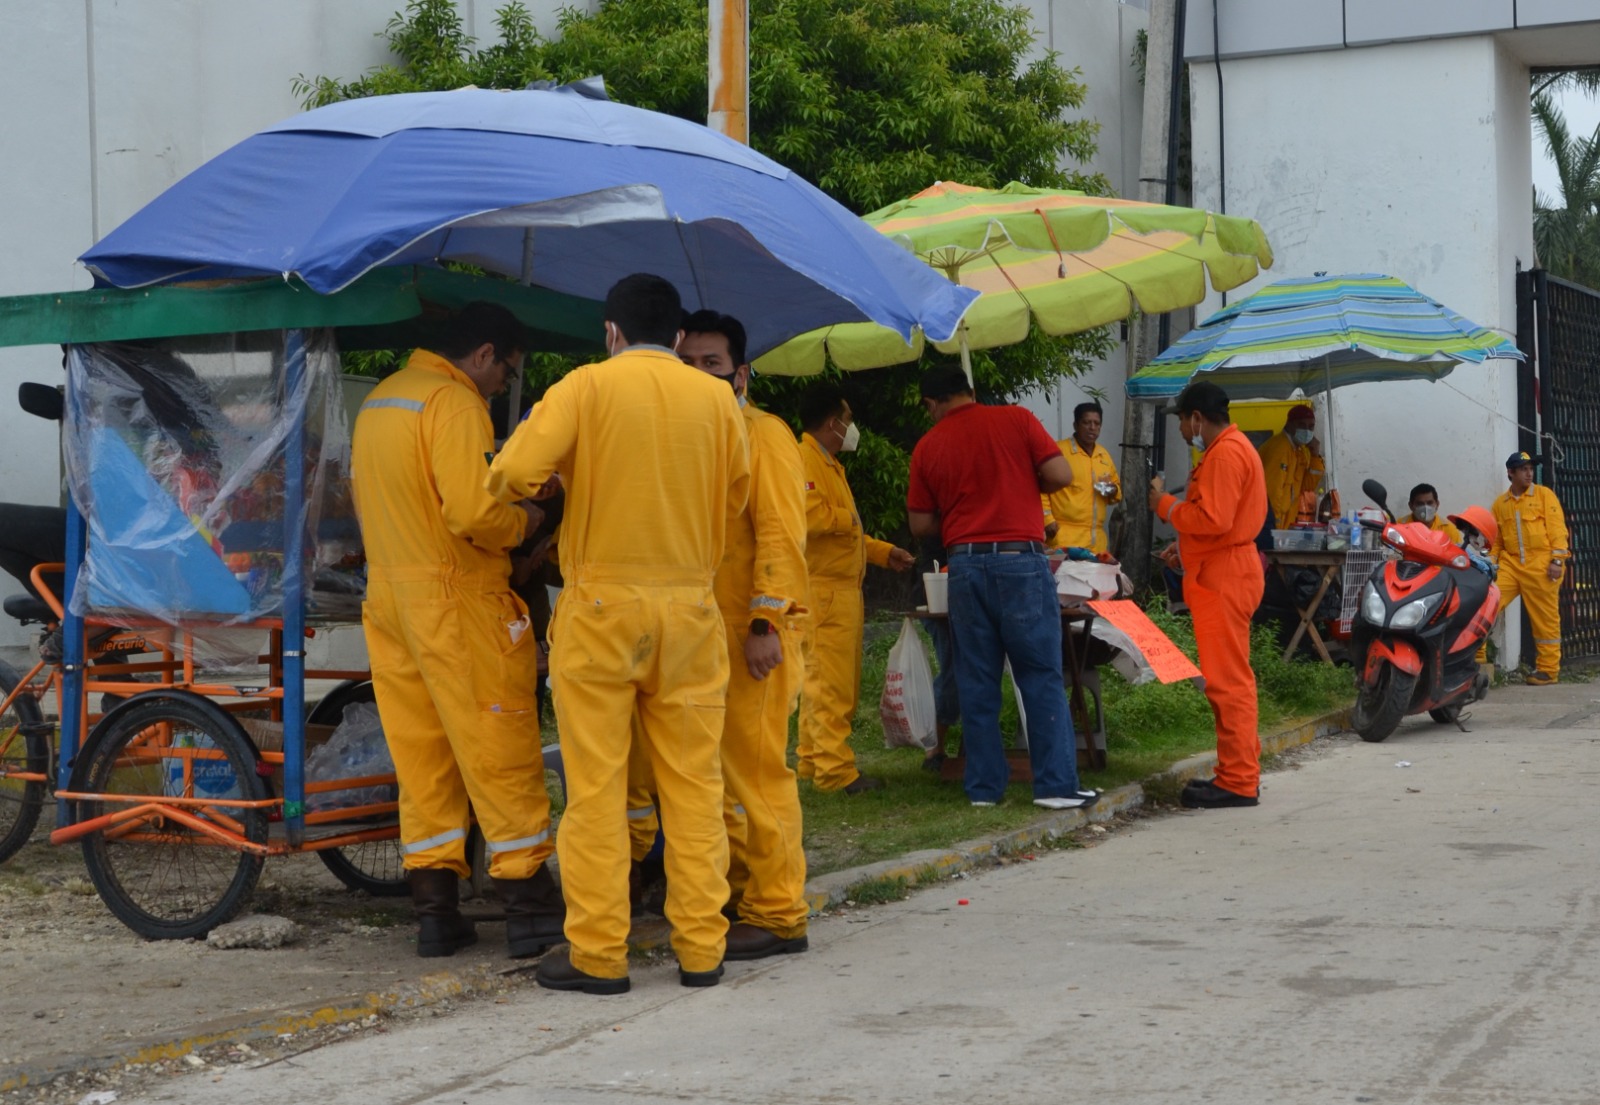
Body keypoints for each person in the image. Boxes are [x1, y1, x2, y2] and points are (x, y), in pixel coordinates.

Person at [487, 274, 750, 995]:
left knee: (597, 788)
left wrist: (570, 475)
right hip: (690, 613)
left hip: (601, 613)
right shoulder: (719, 402)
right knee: (695, 787)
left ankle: (599, 954)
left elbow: (512, 471)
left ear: (610, 332)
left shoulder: (584, 388)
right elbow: (736, 494)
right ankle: (702, 949)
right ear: (675, 338)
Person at [351, 301, 563, 960]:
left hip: (389, 600)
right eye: (507, 370)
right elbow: (473, 509)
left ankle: (435, 911)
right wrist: (526, 522)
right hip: (458, 600)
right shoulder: (455, 402)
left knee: (424, 757)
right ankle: (529, 904)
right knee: (497, 745)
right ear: (483, 354)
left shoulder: (382, 401)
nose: (503, 383)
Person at [678, 308, 812, 959]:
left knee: (758, 772)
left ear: (742, 372)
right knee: (716, 776)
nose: (700, 374)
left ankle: (780, 909)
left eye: (712, 363)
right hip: (700, 635)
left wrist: (764, 621)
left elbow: (783, 536)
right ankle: (738, 890)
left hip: (754, 633)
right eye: (688, 363)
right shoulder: (693, 436)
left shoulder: (765, 435)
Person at [905, 365, 1097, 811]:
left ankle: (984, 790)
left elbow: (919, 523)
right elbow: (1060, 475)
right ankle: (1055, 787)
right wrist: (1022, 484)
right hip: (1020, 562)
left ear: (932, 403)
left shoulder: (927, 446)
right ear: (970, 391)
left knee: (976, 679)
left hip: (965, 567)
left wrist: (956, 516)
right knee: (1040, 674)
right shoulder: (1018, 419)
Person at [1148, 380, 1268, 809]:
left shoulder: (1225, 453)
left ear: (1196, 418)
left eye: (1182, 421)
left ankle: (1237, 780)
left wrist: (1164, 505)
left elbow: (1213, 519)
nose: (1182, 431)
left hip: (1225, 575)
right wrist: (1184, 549)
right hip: (1225, 567)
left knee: (1226, 682)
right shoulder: (1229, 451)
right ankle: (1238, 772)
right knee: (1231, 678)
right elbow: (1220, 524)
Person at [796, 389, 914, 794]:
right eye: (847, 418)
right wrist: (847, 518)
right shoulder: (805, 458)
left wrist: (884, 553)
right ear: (833, 424)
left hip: (839, 589)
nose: (851, 427)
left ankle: (813, 762)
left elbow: (848, 536)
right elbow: (808, 515)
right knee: (830, 685)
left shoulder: (828, 463)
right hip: (824, 591)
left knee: (823, 682)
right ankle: (835, 772)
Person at [1491, 452, 1569, 686]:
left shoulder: (1544, 496)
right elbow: (1496, 541)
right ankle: (1473, 658)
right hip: (1511, 565)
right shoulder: (1500, 504)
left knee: (1545, 619)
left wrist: (1557, 560)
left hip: (1542, 565)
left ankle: (1548, 670)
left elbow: (1557, 530)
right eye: (1523, 469)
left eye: (1531, 468)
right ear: (1510, 473)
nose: (1529, 473)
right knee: (1487, 602)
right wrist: (1492, 564)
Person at [1042, 401, 1122, 554]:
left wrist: (1112, 489)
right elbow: (1041, 487)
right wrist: (1047, 519)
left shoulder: (1103, 455)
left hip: (1096, 540)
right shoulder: (1059, 451)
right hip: (1065, 537)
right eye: (1086, 422)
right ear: (1075, 425)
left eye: (1096, 423)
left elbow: (1117, 493)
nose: (1092, 427)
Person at [1258, 403, 1325, 529]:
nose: (1307, 430)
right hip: (1271, 525)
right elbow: (1272, 493)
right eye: (1301, 425)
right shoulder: (1280, 448)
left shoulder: (1299, 450)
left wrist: (1315, 456)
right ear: (1289, 424)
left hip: (1285, 524)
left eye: (1311, 427)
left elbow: (1306, 487)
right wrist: (1275, 527)